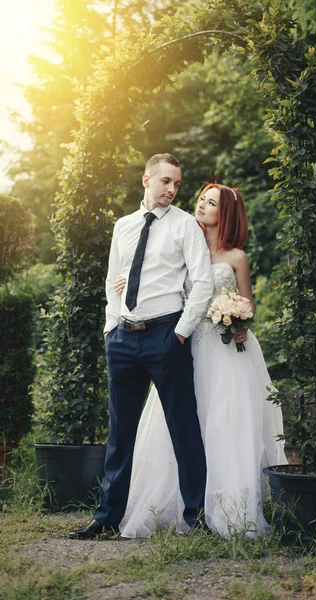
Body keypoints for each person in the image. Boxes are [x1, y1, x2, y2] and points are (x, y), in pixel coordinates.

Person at [115, 183, 287, 538]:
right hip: (185, 344)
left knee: (224, 421)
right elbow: (155, 282)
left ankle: (228, 507)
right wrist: (123, 284)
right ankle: (178, 504)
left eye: (212, 203)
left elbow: (248, 304)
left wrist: (240, 319)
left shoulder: (236, 256)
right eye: (202, 200)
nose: (202, 206)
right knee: (181, 420)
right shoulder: (180, 245)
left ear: (225, 214)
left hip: (225, 351)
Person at [69, 154, 214, 540]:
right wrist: (110, 329)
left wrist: (180, 334)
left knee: (183, 429)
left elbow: (202, 283)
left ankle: (195, 518)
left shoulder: (185, 226)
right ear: (146, 179)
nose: (171, 189)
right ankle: (107, 518)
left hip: (166, 335)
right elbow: (112, 280)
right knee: (119, 434)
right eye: (165, 181)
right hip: (123, 339)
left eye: (177, 184)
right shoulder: (124, 226)